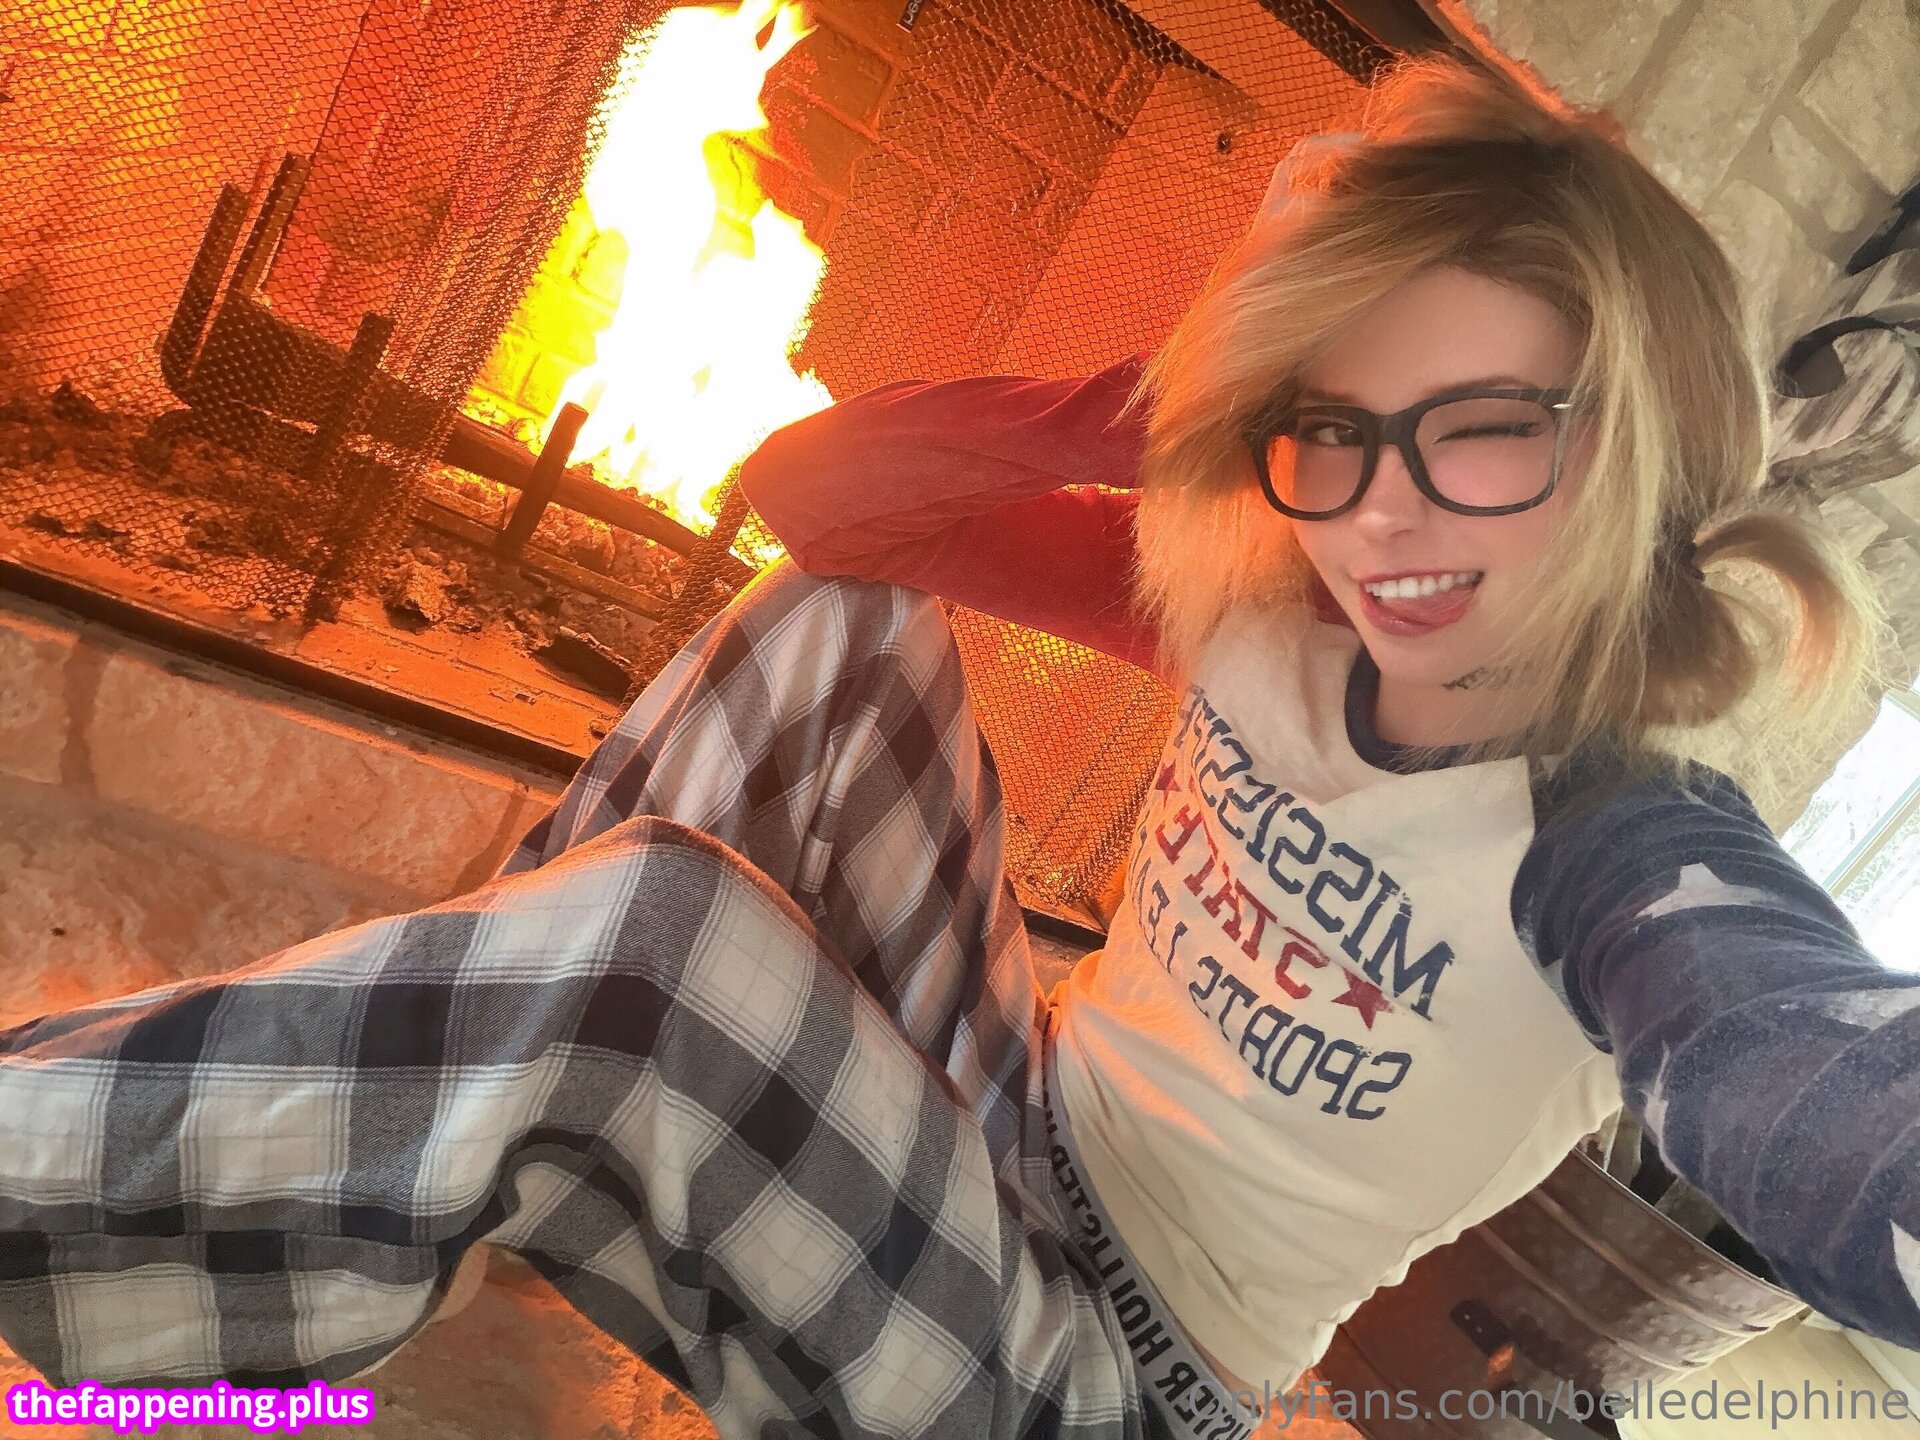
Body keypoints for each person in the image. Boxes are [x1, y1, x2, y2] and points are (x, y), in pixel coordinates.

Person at [2, 53, 1916, 1440]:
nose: (1388, 520)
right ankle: (421, 1170)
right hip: (1009, 1118)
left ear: (1638, 450)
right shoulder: (1282, 598)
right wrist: (1202, 403)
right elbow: (826, 501)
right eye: (1336, 428)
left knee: (654, 957)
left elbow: (1804, 1071)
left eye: (1486, 427)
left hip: (1101, 1376)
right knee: (835, 635)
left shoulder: (1628, 855)